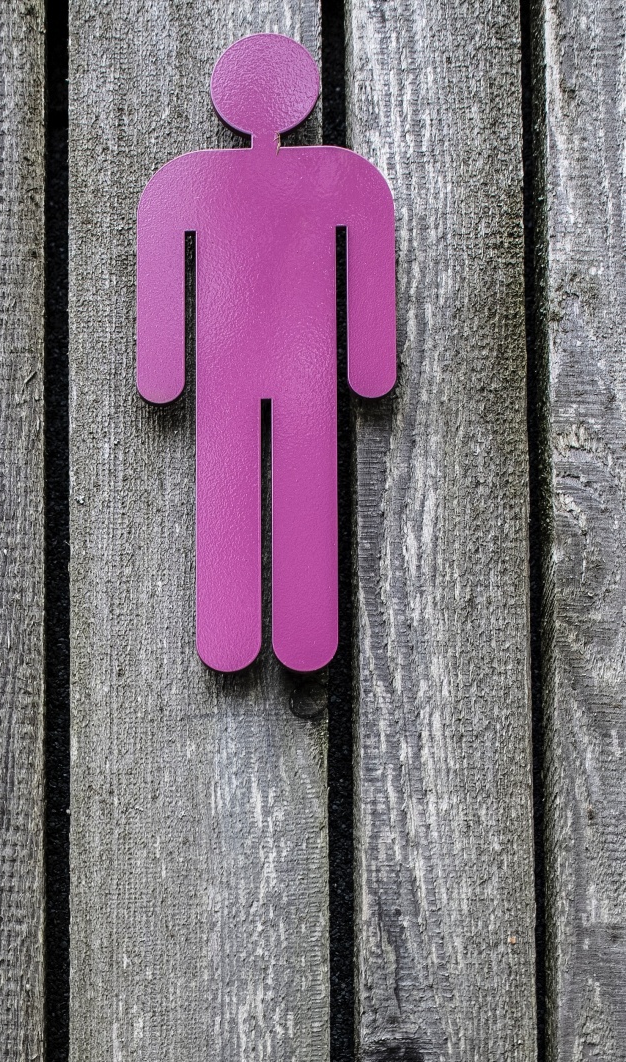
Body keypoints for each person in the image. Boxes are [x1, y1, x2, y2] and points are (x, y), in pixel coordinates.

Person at [137, 32, 396, 672]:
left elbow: (163, 274)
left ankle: (240, 636)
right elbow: (369, 272)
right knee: (299, 487)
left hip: (244, 368)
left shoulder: (185, 178)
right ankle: (285, 638)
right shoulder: (344, 175)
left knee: (236, 487)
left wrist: (163, 372)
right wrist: (368, 367)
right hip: (299, 368)